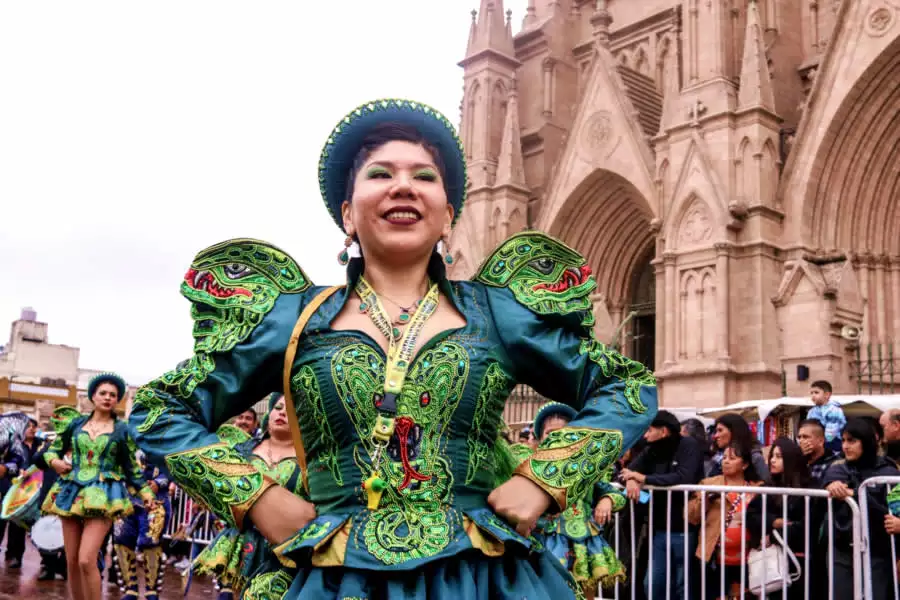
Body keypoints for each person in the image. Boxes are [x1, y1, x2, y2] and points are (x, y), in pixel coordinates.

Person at [129, 98, 657, 599]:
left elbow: (626, 386)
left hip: (479, 575)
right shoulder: (292, 317)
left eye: (423, 176)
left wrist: (545, 479)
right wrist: (255, 496)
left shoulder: (499, 310)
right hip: (331, 575)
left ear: (448, 216)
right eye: (380, 174)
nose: (403, 186)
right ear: (348, 214)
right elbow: (160, 409)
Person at [41, 372, 156, 600]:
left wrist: (145, 492)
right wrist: (55, 462)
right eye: (102, 393)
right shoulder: (75, 424)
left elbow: (131, 467)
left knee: (86, 558)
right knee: (72, 560)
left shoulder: (122, 430)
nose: (108, 398)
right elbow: (52, 450)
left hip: (104, 494)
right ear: (92, 396)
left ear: (117, 400)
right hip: (71, 490)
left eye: (113, 395)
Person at [192, 393, 304, 599]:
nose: (283, 414)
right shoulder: (242, 450)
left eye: (291, 411)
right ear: (269, 413)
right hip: (244, 540)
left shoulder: (309, 459)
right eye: (279, 408)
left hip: (284, 546)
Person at [527, 402, 625, 600]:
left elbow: (616, 495)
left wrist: (606, 500)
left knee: (582, 592)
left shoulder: (587, 467)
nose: (556, 437)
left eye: (562, 432)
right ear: (540, 437)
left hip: (582, 544)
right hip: (544, 540)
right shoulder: (530, 467)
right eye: (549, 433)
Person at [621, 410, 704, 600]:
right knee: (652, 583)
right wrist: (630, 480)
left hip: (685, 529)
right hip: (658, 530)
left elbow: (684, 476)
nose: (645, 435)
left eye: (649, 430)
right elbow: (626, 471)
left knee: (683, 585)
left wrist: (644, 478)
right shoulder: (651, 450)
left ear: (664, 431)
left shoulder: (687, 445)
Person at [823, 418, 899, 600]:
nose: (846, 446)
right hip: (842, 550)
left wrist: (854, 493)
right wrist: (832, 486)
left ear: (866, 441)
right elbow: (828, 483)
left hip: (878, 551)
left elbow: (889, 511)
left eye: (852, 441)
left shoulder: (888, 471)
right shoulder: (838, 468)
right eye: (843, 440)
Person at [111, 446, 171, 600]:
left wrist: (159, 483)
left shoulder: (165, 438)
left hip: (154, 501)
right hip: (125, 500)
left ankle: (151, 590)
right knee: (121, 541)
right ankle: (130, 589)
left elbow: (175, 465)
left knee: (150, 543)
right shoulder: (125, 435)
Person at [807, 380, 846, 454]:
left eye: (816, 392)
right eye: (811, 393)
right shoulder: (811, 411)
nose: (813, 395)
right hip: (818, 442)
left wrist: (821, 442)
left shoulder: (833, 410)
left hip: (833, 441)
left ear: (827, 395)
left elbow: (831, 432)